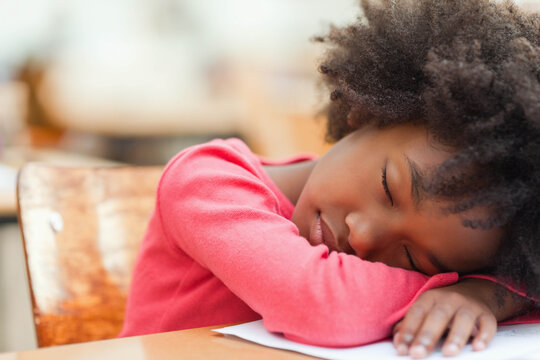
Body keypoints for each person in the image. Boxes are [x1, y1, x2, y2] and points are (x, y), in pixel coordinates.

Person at [120, 0, 540, 358]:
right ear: (368, 111)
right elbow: (322, 305)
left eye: (413, 258)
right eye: (387, 188)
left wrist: (484, 294)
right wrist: (458, 289)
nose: (364, 236)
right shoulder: (207, 183)